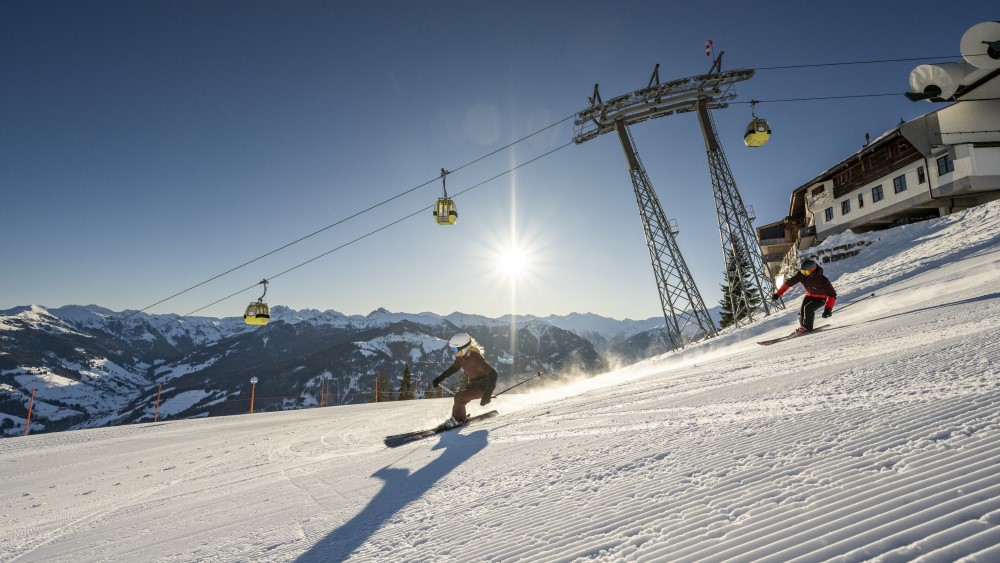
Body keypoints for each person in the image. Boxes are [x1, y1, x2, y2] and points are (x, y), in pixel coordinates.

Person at [431, 333, 498, 428]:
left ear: (464, 347)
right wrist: (439, 378)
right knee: (459, 398)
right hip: (473, 385)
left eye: (455, 349)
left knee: (459, 397)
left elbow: (493, 374)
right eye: (452, 349)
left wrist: (487, 394)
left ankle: (457, 420)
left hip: (484, 387)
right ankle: (460, 418)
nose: (453, 352)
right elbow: (454, 368)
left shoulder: (475, 359)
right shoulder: (461, 357)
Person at [772, 259, 837, 333]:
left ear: (813, 271)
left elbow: (832, 295)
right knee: (802, 310)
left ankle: (807, 327)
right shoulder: (801, 275)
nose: (804, 274)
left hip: (822, 297)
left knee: (808, 308)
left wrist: (828, 310)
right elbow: (788, 283)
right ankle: (803, 326)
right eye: (803, 272)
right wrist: (777, 294)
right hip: (810, 295)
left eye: (806, 272)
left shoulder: (822, 280)